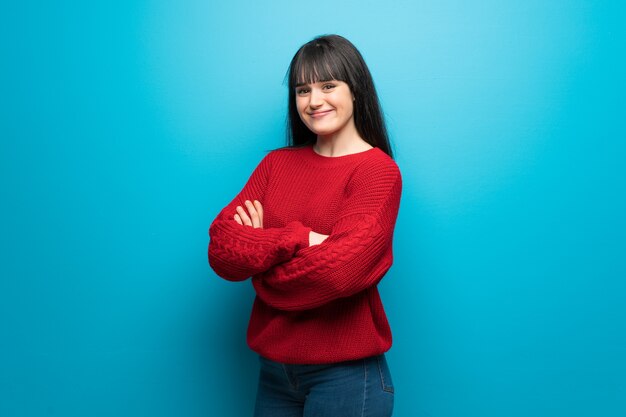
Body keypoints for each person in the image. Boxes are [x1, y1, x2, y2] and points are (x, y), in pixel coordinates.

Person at [208, 34, 402, 417]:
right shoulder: (275, 165)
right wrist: (301, 238)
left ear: (355, 89)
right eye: (303, 90)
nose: (314, 101)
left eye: (328, 86)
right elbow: (222, 251)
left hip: (346, 377)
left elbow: (339, 274)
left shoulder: (377, 172)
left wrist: (261, 255)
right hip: (274, 373)